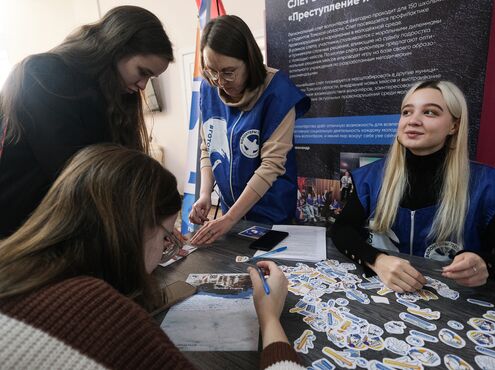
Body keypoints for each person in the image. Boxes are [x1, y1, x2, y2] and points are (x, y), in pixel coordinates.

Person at [0, 144, 304, 369]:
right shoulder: (100, 314)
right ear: (128, 232)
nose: (167, 247)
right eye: (165, 235)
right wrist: (269, 318)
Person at [331, 80, 495, 293]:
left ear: (454, 125)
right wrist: (377, 260)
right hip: (385, 300)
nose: (413, 120)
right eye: (406, 112)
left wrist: (485, 264)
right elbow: (341, 230)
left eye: (430, 112)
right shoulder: (371, 177)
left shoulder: (486, 186)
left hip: (457, 309)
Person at [0, 6, 174, 237]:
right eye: (142, 72)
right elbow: (74, 172)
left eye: (150, 77)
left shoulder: (114, 92)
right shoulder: (42, 73)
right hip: (22, 224)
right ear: (117, 46)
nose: (143, 85)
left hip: (65, 223)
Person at [189, 15, 310, 245]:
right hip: (229, 214)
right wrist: (205, 194)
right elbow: (209, 147)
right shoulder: (208, 89)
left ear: (249, 60)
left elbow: (271, 165)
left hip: (270, 215)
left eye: (228, 71)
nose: (220, 81)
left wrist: (229, 218)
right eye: (211, 71)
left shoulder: (277, 91)